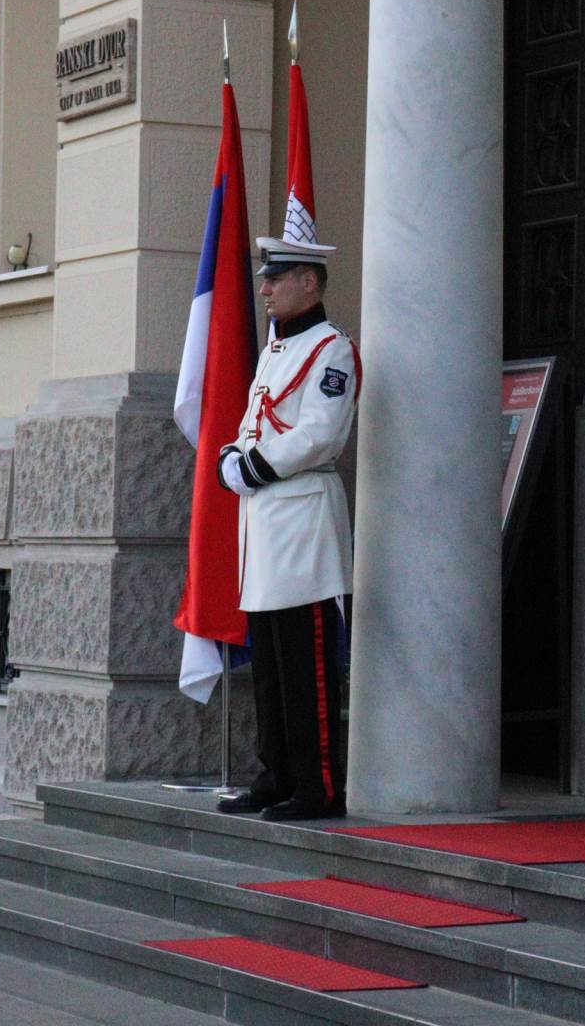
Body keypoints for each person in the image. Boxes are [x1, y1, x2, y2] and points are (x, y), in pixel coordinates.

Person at [214, 237, 358, 822]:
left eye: (276, 277)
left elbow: (322, 432)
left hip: (303, 519)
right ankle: (275, 773)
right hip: (264, 522)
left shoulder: (333, 349)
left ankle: (317, 784)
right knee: (271, 664)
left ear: (310, 282)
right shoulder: (275, 350)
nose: (264, 287)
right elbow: (255, 424)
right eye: (264, 277)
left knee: (308, 663)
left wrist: (251, 464)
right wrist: (232, 457)